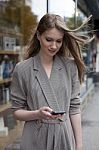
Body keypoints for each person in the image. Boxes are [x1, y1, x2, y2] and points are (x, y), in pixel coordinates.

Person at [11, 14, 91, 150]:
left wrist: (79, 145)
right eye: (49, 39)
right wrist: (37, 114)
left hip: (63, 138)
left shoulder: (70, 67)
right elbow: (17, 111)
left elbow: (74, 108)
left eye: (59, 41)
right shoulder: (22, 69)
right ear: (38, 36)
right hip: (34, 139)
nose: (54, 46)